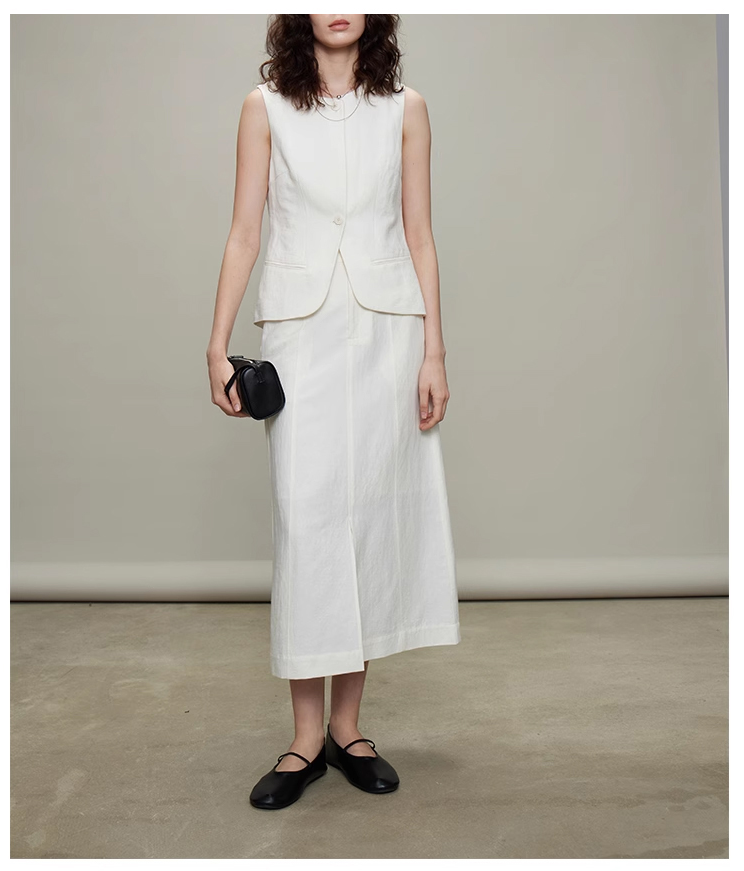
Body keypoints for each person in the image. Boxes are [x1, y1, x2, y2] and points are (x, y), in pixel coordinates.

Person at [206, 14, 460, 810]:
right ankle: (303, 738)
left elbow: (420, 234)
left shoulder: (407, 107)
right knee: (308, 519)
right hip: (301, 333)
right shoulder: (264, 107)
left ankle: (349, 731)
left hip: (388, 332)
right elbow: (244, 231)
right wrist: (216, 344)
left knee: (368, 520)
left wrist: (434, 351)